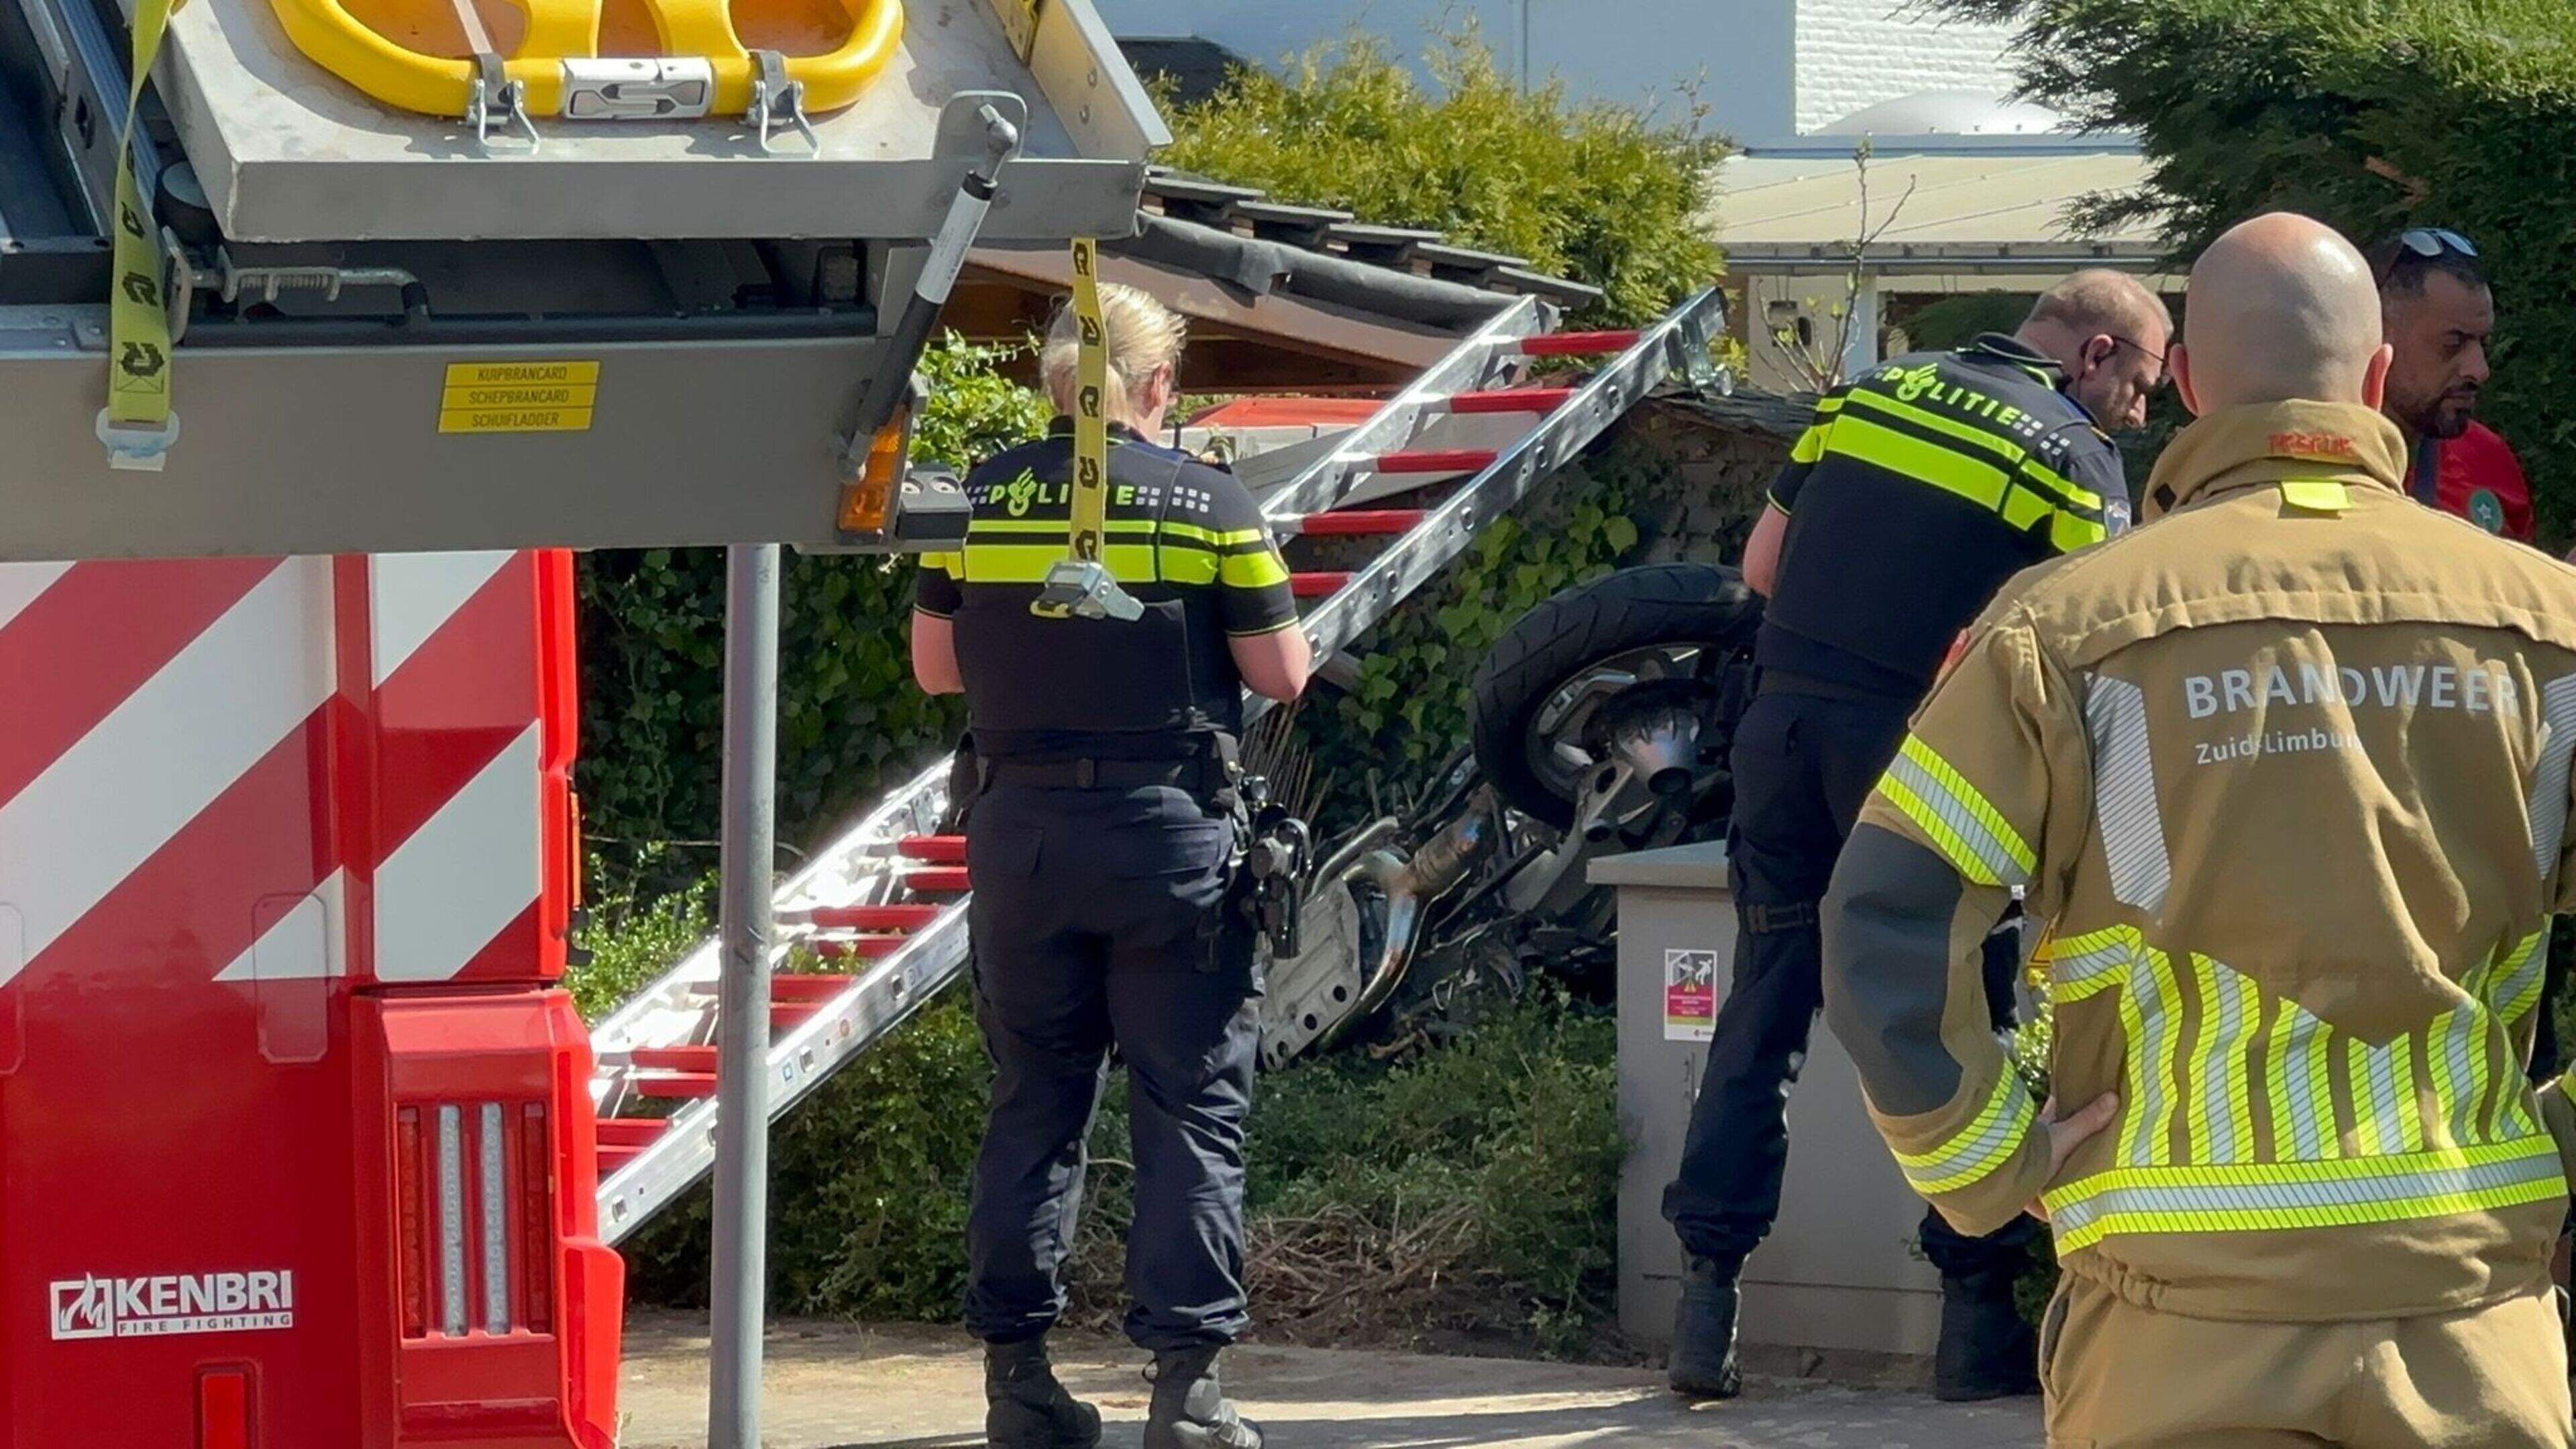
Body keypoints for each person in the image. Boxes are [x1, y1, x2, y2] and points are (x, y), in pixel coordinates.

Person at [1821, 212, 2576, 1446]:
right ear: (2377, 374)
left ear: (2183, 382)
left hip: (2175, 1324)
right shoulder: (2550, 624)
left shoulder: (2065, 626)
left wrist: (1985, 1168)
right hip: (2468, 1314)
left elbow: (1886, 920)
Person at [1663, 269, 2172, 1402]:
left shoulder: (1871, 394)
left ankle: (1705, 1309)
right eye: (2141, 382)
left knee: (1764, 1006)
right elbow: (2098, 654)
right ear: (2095, 357)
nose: (2142, 411)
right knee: (1968, 1017)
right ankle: (1972, 1325)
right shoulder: (2071, 457)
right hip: (1921, 769)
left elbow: (1759, 570)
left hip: (1780, 735)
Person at [910, 282, 1311, 1449]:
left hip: (1021, 840)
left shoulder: (972, 501)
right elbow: (1282, 674)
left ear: (1049, 385)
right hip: (1168, 845)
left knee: (1035, 1103)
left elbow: (940, 671)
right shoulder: (1211, 502)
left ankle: (1019, 1387)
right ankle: (1186, 1397)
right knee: (1189, 1109)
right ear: (1156, 389)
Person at [2366, 227, 2534, 542]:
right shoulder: (2308, 458)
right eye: (2453, 343)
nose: (2479, 370)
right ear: (2376, 332)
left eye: (2483, 342)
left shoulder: (2487, 457)